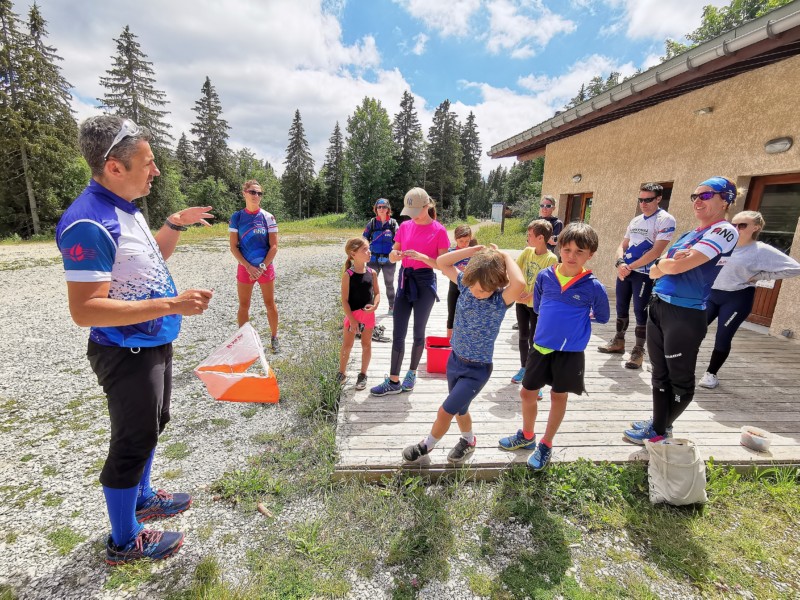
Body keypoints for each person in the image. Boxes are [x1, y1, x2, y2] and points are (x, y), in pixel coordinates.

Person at [55, 115, 214, 565]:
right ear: (114, 166)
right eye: (148, 162)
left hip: (151, 341)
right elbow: (85, 309)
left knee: (153, 425)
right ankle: (124, 540)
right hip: (124, 350)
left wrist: (174, 225)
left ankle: (143, 497)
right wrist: (171, 305)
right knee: (130, 441)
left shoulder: (127, 208)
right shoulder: (88, 222)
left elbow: (151, 258)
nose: (156, 170)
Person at [624, 177, 739, 444]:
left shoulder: (725, 231)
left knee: (680, 379)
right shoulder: (691, 234)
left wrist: (668, 263)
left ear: (726, 200)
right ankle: (659, 423)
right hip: (660, 305)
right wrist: (668, 263)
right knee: (659, 373)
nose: (697, 200)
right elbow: (655, 269)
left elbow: (671, 268)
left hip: (685, 314)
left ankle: (660, 429)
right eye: (694, 196)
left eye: (706, 195)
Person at [499, 222, 610, 471]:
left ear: (590, 254)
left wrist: (579, 318)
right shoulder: (545, 276)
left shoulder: (594, 287)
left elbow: (602, 316)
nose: (572, 256)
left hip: (570, 353)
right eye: (567, 249)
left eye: (579, 252)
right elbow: (537, 307)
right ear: (559, 248)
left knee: (558, 396)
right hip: (540, 346)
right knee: (527, 393)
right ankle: (527, 436)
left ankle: (546, 444)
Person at [402, 245, 525, 464]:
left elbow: (520, 284)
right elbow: (442, 262)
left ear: (497, 285)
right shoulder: (465, 287)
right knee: (460, 410)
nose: (478, 294)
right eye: (476, 288)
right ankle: (469, 441)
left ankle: (425, 446)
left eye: (484, 290)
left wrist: (504, 256)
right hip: (455, 361)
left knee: (445, 410)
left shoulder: (499, 302)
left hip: (476, 371)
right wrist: (474, 250)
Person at [699, 210, 800, 389]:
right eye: (734, 225)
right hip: (711, 295)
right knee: (693, 331)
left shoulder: (760, 250)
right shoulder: (724, 244)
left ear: (756, 228)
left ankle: (711, 374)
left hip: (736, 298)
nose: (737, 228)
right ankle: (678, 365)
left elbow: (795, 268)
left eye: (742, 225)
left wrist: (762, 275)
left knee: (723, 337)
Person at [370, 188, 450, 396]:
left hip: (424, 282)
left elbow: (442, 265)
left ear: (427, 206)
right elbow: (393, 254)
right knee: (398, 331)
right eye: (410, 210)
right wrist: (395, 255)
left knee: (418, 332)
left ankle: (412, 373)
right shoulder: (405, 226)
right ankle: (394, 380)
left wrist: (422, 257)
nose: (412, 214)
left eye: (416, 210)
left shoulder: (439, 230)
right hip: (405, 280)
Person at [598, 183, 676, 369]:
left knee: (640, 311)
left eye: (648, 199)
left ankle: (639, 351)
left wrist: (630, 266)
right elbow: (622, 245)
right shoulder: (636, 220)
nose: (643, 203)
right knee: (621, 307)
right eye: (640, 199)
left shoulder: (665, 219)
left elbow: (657, 251)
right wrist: (620, 263)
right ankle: (618, 342)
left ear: (658, 198)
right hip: (626, 271)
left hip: (644, 274)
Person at [229, 180, 280, 352]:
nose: (256, 196)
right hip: (245, 268)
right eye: (252, 192)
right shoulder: (237, 217)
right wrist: (248, 267)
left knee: (270, 304)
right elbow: (233, 247)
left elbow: (274, 247)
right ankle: (243, 341)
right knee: (244, 305)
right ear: (244, 193)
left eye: (259, 193)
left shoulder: (268, 217)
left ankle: (274, 337)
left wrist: (262, 267)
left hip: (265, 268)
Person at [511, 219, 558, 385]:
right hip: (521, 303)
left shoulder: (551, 259)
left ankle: (536, 374)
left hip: (537, 306)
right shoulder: (527, 252)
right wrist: (517, 290)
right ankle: (524, 367)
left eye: (530, 235)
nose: (527, 237)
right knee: (523, 337)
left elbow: (550, 286)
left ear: (540, 238)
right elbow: (514, 270)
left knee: (535, 340)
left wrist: (531, 295)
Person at [338, 237, 381, 390]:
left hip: (368, 316)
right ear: (353, 254)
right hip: (352, 316)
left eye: (368, 249)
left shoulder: (372, 273)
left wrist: (375, 306)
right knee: (347, 345)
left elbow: (377, 293)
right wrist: (352, 320)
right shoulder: (348, 275)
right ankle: (341, 373)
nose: (369, 252)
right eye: (364, 250)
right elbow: (344, 300)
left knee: (366, 345)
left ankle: (363, 374)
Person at [363, 198, 398, 315]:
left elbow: (399, 240)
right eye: (379, 207)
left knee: (389, 283)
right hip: (373, 259)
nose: (381, 209)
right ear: (376, 209)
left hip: (389, 259)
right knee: (371, 284)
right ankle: (369, 307)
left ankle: (392, 307)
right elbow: (364, 239)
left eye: (384, 207)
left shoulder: (393, 224)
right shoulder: (372, 223)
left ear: (388, 209)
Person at [446, 224, 476, 340]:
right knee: (452, 315)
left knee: (468, 316)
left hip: (470, 289)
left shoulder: (473, 252)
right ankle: (449, 341)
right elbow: (444, 269)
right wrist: (456, 270)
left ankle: (466, 340)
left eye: (467, 241)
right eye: (461, 241)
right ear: (455, 239)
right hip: (454, 287)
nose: (464, 244)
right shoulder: (451, 252)